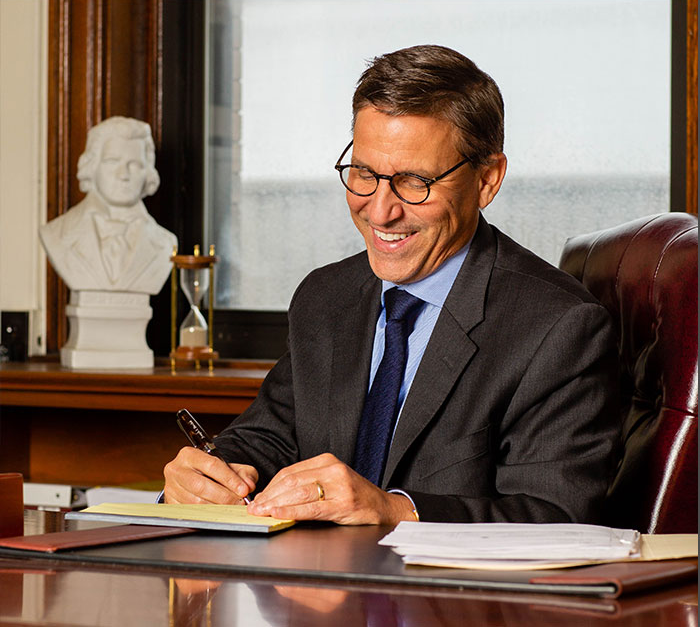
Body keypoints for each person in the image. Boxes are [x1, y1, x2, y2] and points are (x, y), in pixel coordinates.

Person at [164, 45, 620, 525]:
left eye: (414, 182)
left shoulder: (559, 327)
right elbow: (268, 439)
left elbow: (558, 515)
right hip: (313, 571)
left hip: (439, 578)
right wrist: (212, 478)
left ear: (487, 180)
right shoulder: (325, 296)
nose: (380, 211)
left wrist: (396, 510)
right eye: (364, 174)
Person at [39, 116, 176, 294]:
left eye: (135, 164)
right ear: (92, 166)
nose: (123, 175)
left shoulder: (165, 243)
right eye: (112, 161)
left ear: (148, 172)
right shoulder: (56, 233)